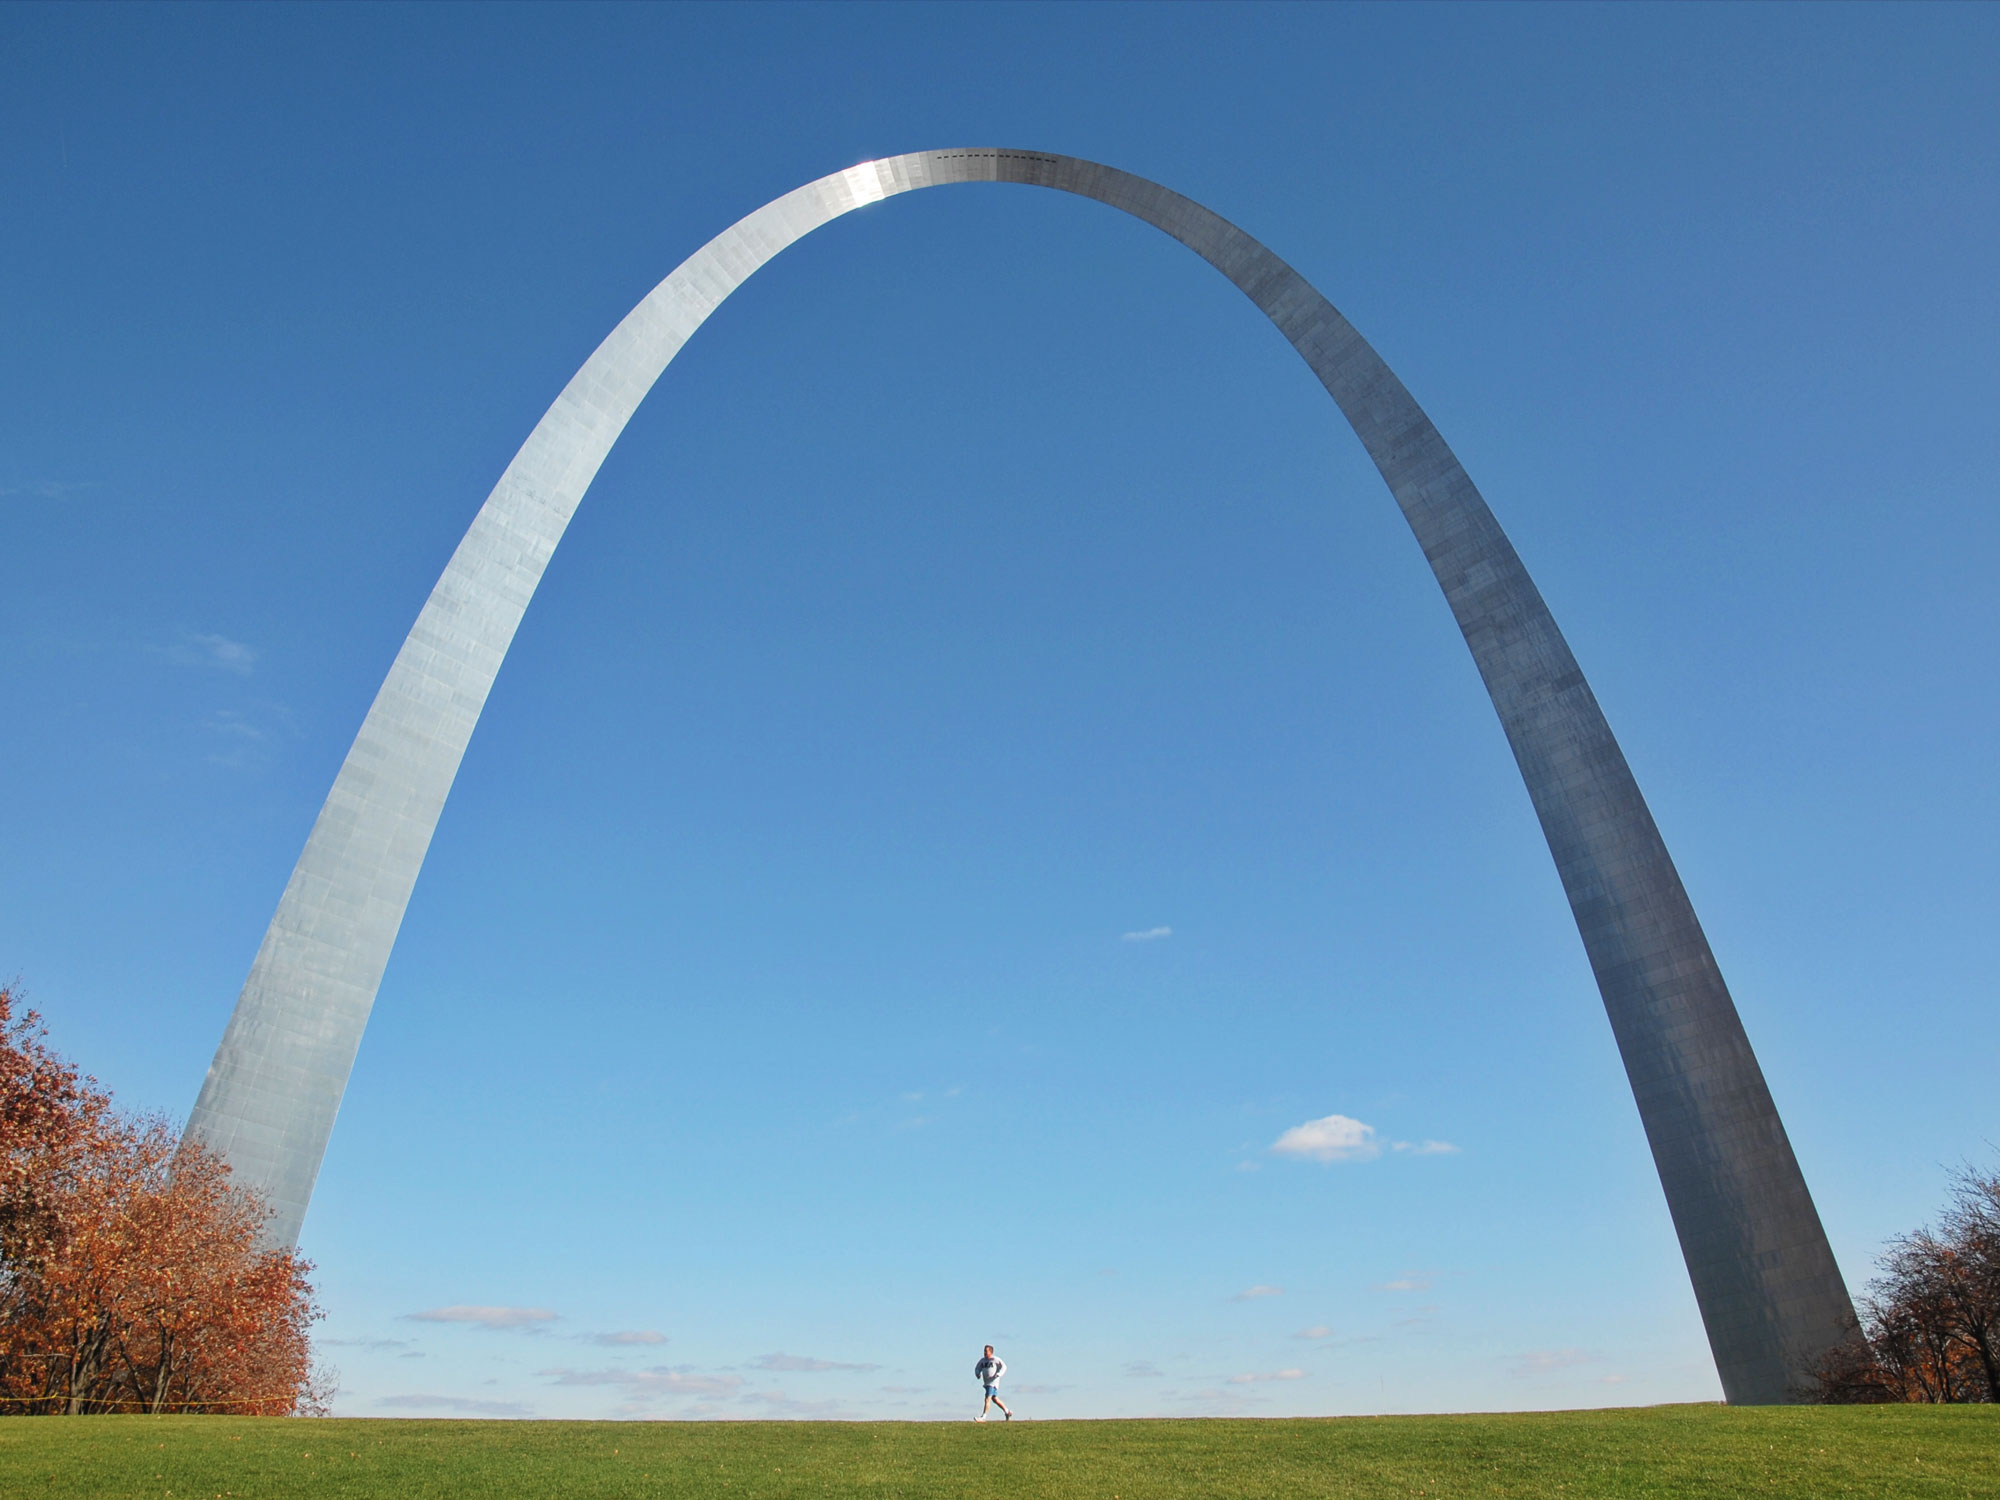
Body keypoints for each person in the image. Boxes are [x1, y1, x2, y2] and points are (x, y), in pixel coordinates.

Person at [972, 1344, 1011, 1421]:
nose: (985, 1353)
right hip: (987, 1383)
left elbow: (1004, 1367)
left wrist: (999, 1374)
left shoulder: (995, 1359)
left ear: (991, 1352)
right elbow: (977, 1368)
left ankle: (984, 1416)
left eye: (986, 1351)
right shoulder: (982, 1361)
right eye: (984, 1351)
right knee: (994, 1399)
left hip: (993, 1382)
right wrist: (977, 1373)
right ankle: (1007, 1411)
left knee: (987, 1399)